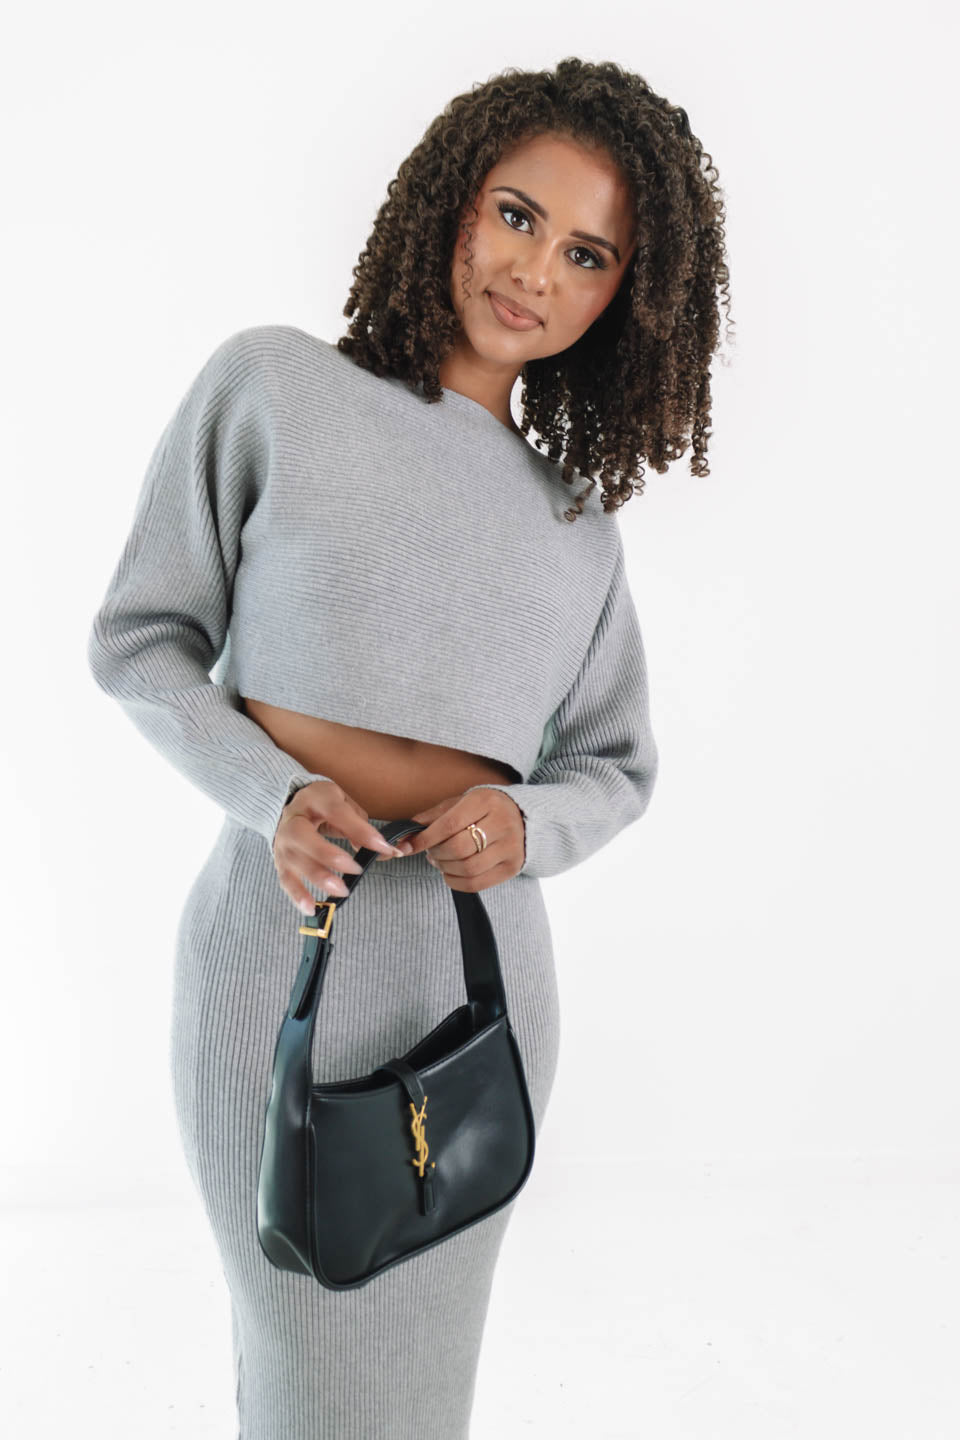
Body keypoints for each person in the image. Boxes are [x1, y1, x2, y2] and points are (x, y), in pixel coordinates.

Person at [87, 55, 730, 1440]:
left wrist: (526, 827)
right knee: (301, 1368)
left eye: (588, 253)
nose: (536, 271)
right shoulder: (273, 387)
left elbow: (615, 763)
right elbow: (141, 640)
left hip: (475, 994)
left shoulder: (575, 527)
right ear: (452, 198)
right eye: (517, 215)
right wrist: (273, 796)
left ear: (625, 296)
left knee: (422, 1400)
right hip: (277, 963)